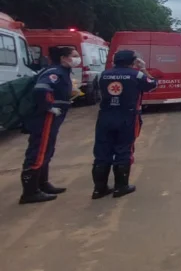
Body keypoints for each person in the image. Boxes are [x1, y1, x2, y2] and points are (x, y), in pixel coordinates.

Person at [91, 50, 157, 199]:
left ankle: (99, 189)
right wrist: (143, 68)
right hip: (127, 117)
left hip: (105, 117)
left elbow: (97, 91)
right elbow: (152, 84)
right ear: (133, 61)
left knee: (102, 152)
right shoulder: (137, 75)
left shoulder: (102, 75)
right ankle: (121, 187)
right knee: (124, 150)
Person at [19, 46, 81, 204]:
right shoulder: (55, 72)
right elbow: (41, 89)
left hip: (52, 117)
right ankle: (30, 192)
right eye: (74, 55)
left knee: (47, 149)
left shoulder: (62, 71)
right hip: (45, 117)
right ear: (63, 58)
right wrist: (48, 107)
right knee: (39, 150)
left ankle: (42, 184)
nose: (77, 58)